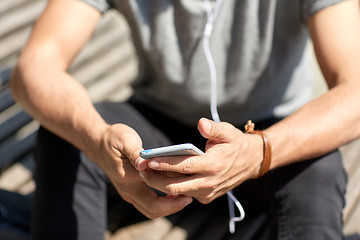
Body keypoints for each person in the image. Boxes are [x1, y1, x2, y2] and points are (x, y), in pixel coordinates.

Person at [10, 0, 360, 239]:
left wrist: (259, 151)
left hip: (270, 135)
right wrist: (96, 137)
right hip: (159, 130)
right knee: (66, 135)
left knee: (318, 171)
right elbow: (34, 67)